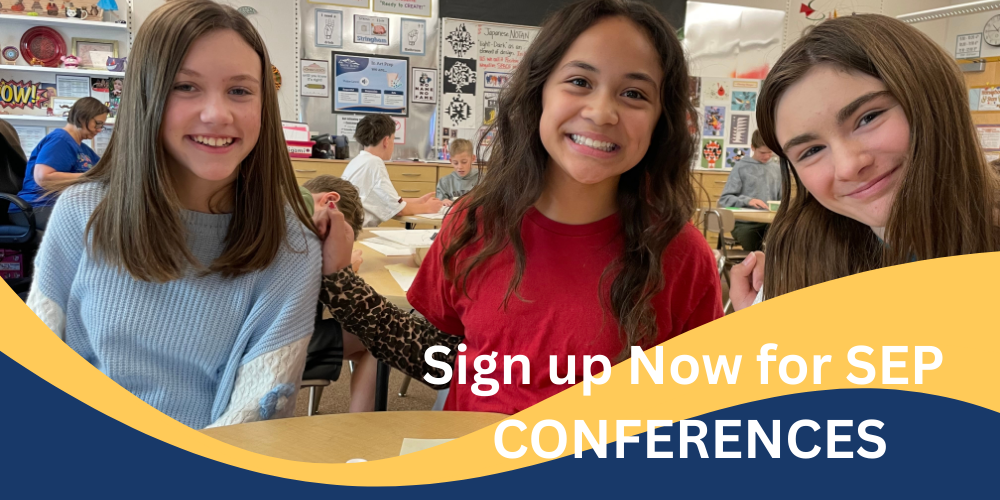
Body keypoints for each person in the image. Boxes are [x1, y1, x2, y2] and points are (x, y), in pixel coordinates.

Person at [315, 0, 723, 415]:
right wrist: (339, 280)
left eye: (634, 93)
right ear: (538, 91)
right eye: (580, 81)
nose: (601, 112)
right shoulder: (473, 223)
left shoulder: (681, 255)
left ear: (660, 120)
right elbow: (444, 356)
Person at [25, 0, 325, 429]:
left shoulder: (291, 245)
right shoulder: (83, 212)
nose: (217, 114)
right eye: (186, 86)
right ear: (147, 93)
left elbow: (259, 407)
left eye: (240, 90)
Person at [728, 14, 1000, 311]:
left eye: (868, 118)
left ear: (934, 98)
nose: (847, 166)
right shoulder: (799, 265)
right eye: (811, 151)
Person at [300, 175, 377, 413]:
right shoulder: (303, 236)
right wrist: (344, 271)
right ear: (329, 201)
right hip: (282, 347)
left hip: (260, 342)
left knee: (360, 344)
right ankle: (362, 426)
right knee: (377, 339)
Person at [9, 97, 108, 229]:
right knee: (102, 228)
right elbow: (43, 177)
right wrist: (92, 177)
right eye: (98, 123)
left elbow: (105, 171)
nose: (100, 129)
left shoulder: (85, 150)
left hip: (56, 206)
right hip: (35, 208)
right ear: (82, 118)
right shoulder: (60, 139)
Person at [340, 114, 443, 227]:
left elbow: (386, 201)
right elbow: (398, 210)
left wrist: (419, 201)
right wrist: (427, 208)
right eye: (393, 139)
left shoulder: (358, 161)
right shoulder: (374, 163)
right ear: (386, 141)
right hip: (358, 233)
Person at [717, 130, 780, 251]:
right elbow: (724, 199)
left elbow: (781, 200)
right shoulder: (741, 167)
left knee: (786, 240)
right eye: (762, 152)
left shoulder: (776, 170)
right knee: (756, 246)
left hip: (769, 224)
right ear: (752, 148)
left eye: (770, 152)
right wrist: (747, 201)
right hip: (744, 224)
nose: (766, 156)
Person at [436, 138, 480, 207]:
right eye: (455, 163)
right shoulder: (444, 182)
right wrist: (443, 201)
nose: (460, 167)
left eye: (464, 162)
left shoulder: (482, 180)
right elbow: (438, 203)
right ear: (451, 161)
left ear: (473, 159)